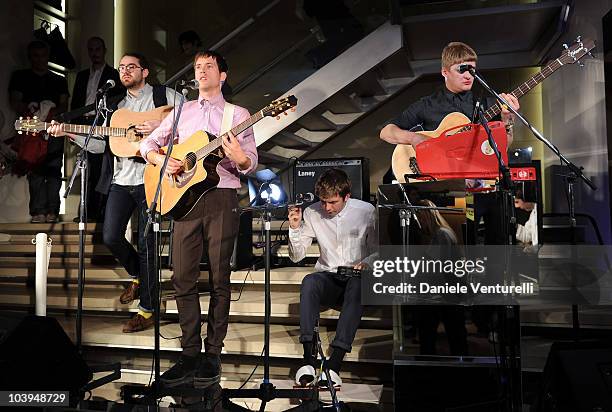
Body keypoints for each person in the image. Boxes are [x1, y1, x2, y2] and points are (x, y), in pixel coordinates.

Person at [140, 50, 258, 388]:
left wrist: (241, 158)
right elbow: (149, 143)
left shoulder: (238, 114)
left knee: (220, 278)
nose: (202, 71)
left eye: (209, 67)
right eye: (197, 67)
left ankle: (213, 353)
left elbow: (251, 160)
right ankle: (190, 352)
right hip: (182, 199)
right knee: (182, 278)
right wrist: (162, 159)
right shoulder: (182, 110)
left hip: (222, 196)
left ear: (223, 75)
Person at [47, 52, 179, 333]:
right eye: (121, 67)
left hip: (151, 179)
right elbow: (99, 145)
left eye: (131, 66)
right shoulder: (115, 105)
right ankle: (139, 275)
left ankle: (147, 310)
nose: (125, 71)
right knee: (109, 236)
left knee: (147, 244)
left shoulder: (163, 96)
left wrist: (160, 126)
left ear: (145, 71)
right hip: (121, 180)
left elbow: (189, 121)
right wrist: (69, 133)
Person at [379, 41, 520, 245]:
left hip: (482, 188)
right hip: (443, 193)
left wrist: (508, 121)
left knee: (497, 246)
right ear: (444, 72)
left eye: (472, 70)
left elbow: (502, 148)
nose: (468, 75)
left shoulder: (486, 105)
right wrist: (414, 138)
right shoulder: (427, 105)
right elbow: (386, 132)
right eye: (462, 69)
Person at [288, 168, 377, 388]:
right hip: (329, 276)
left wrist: (368, 262)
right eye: (323, 202)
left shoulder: (366, 211)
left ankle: (334, 364)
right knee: (309, 281)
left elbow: (379, 250)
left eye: (333, 202)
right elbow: (297, 256)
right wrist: (294, 228)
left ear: (346, 196)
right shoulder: (311, 212)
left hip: (358, 276)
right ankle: (308, 360)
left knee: (357, 284)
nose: (327, 208)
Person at [9, 40, 69, 223]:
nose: (40, 59)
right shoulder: (20, 76)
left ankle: (52, 211)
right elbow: (15, 101)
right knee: (34, 171)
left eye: (43, 55)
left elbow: (64, 103)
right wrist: (32, 111)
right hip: (30, 131)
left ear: (48, 56)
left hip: (54, 130)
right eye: (36, 55)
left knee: (53, 170)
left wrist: (49, 114)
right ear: (30, 57)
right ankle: (37, 212)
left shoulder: (59, 79)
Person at [70, 36, 125, 222]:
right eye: (91, 50)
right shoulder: (82, 75)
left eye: (98, 49)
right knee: (85, 168)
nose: (95, 53)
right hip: (83, 123)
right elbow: (76, 102)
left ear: (104, 51)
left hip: (102, 124)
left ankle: (99, 213)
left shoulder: (114, 75)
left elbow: (118, 101)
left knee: (101, 170)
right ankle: (85, 213)